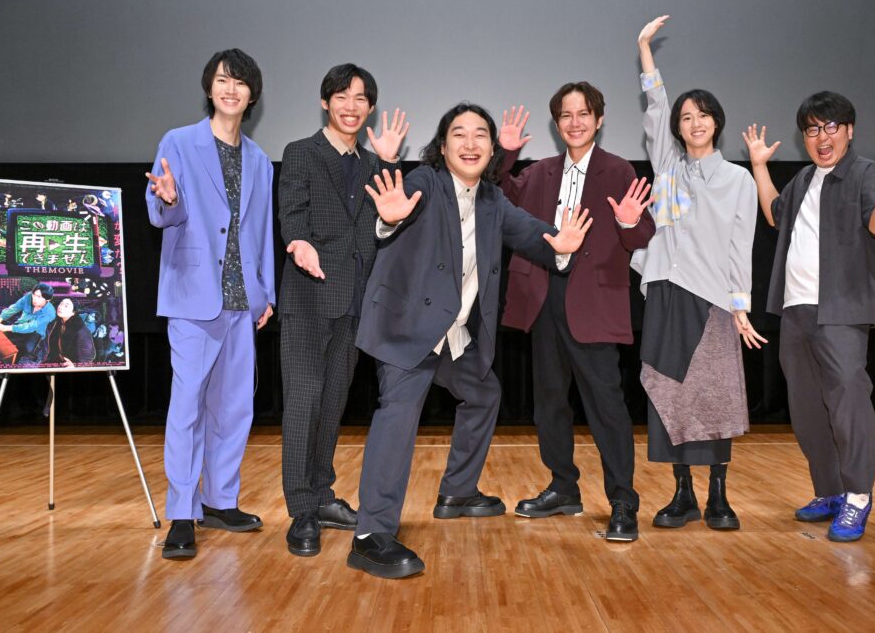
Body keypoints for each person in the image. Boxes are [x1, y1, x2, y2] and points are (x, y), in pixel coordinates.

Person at [348, 103, 592, 579]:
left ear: (492, 148)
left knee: (483, 393)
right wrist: (389, 219)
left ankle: (458, 492)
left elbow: (529, 231)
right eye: (458, 134)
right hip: (408, 329)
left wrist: (558, 244)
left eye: (481, 134)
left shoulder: (492, 200)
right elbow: (396, 206)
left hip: (452, 333)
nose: (470, 143)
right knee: (398, 415)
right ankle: (369, 535)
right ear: (442, 147)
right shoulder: (425, 181)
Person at [743, 93, 875, 542]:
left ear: (849, 130)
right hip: (796, 309)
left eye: (831, 127)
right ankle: (829, 492)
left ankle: (858, 496)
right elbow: (775, 215)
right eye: (812, 130)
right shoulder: (805, 178)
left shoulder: (866, 174)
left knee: (848, 403)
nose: (822, 137)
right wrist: (758, 167)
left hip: (841, 310)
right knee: (807, 411)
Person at [497, 84, 654, 541]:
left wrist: (628, 220)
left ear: (599, 120)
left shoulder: (618, 170)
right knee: (550, 403)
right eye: (566, 115)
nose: (575, 122)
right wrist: (505, 155)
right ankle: (563, 488)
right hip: (544, 298)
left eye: (584, 113)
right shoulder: (539, 172)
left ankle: (623, 500)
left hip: (594, 301)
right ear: (556, 123)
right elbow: (498, 197)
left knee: (607, 406)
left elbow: (639, 235)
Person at [633, 15, 766, 532]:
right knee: (670, 392)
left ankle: (718, 497)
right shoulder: (667, 168)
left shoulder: (737, 180)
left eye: (704, 115)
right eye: (687, 117)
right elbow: (655, 104)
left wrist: (740, 305)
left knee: (714, 394)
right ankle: (682, 493)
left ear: (717, 123)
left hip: (711, 298)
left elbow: (740, 246)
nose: (695, 123)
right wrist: (645, 49)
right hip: (666, 292)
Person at [146, 48, 276, 560]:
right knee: (187, 407)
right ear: (209, 88)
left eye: (240, 82)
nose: (231, 89)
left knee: (233, 408)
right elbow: (160, 213)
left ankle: (221, 501)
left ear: (252, 94)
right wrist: (169, 199)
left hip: (242, 302)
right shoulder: (179, 142)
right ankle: (183, 511)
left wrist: (266, 292)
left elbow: (261, 232)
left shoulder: (259, 159)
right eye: (223, 80)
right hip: (193, 297)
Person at [278, 63, 407, 557]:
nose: (351, 107)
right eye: (341, 97)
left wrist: (390, 166)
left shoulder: (376, 165)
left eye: (360, 99)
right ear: (325, 102)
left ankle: (322, 494)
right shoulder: (301, 152)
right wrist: (299, 242)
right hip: (308, 298)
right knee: (304, 403)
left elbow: (385, 225)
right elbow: (292, 213)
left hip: (355, 302)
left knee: (332, 404)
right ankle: (301, 511)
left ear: (370, 107)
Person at [0, 283, 56, 359]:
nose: (34, 298)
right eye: (34, 294)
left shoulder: (50, 313)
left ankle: (22, 354)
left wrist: (5, 328)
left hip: (36, 330)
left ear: (48, 299)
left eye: (39, 297)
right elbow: (15, 308)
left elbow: (31, 326)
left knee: (27, 349)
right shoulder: (29, 296)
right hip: (21, 322)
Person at [32, 298, 96, 367]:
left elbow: (87, 358)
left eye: (66, 306)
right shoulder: (59, 323)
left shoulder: (80, 330)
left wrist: (75, 366)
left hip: (76, 368)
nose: (60, 307)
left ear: (73, 312)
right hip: (60, 362)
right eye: (61, 303)